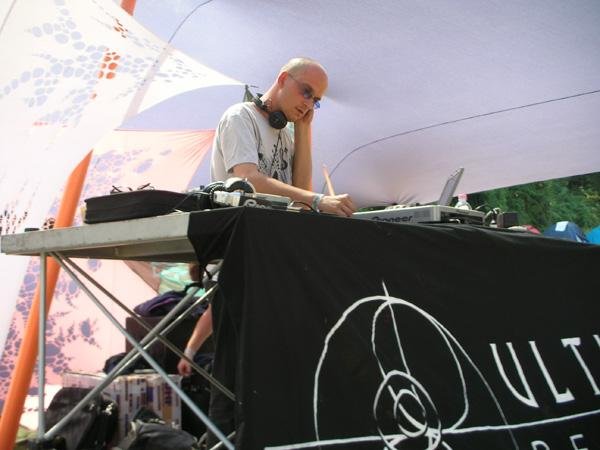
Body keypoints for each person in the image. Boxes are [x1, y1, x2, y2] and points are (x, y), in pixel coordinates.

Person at [177, 57, 356, 378]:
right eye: (306, 92)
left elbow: (300, 196)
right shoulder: (240, 116)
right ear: (283, 79)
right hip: (239, 250)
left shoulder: (287, 135)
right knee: (238, 368)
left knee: (272, 367)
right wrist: (319, 200)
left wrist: (304, 131)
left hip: (270, 252)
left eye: (316, 100)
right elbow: (249, 177)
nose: (309, 103)